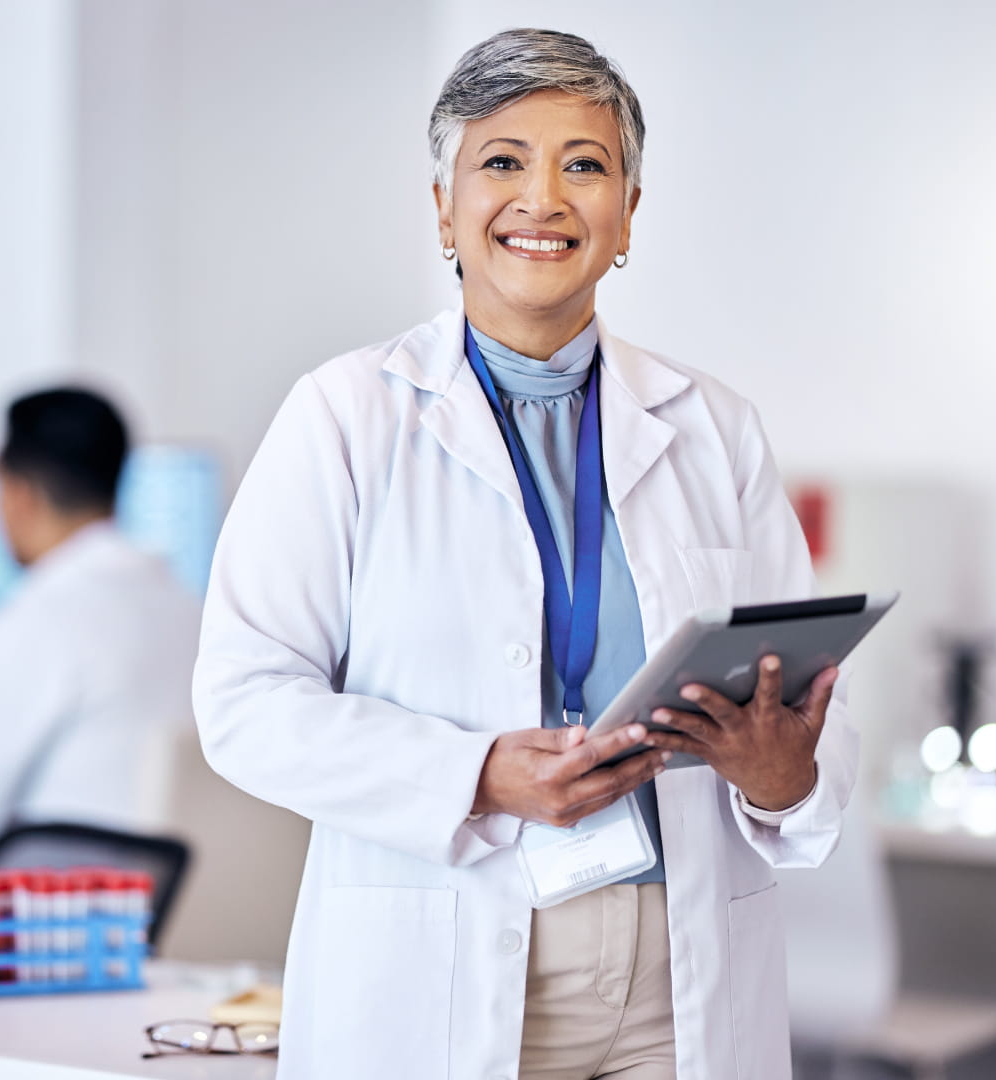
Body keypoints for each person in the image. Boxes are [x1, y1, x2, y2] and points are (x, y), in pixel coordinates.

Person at [193, 27, 858, 1080]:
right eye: (502, 162)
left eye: (584, 166)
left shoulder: (713, 425)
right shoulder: (344, 417)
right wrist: (478, 775)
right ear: (443, 207)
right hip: (449, 965)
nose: (543, 199)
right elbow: (244, 704)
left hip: (682, 978)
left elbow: (812, 697)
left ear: (628, 214)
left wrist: (786, 776)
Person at [0, 387, 201, 832]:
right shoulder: (193, 613)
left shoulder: (40, 621)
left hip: (62, 894)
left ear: (19, 494)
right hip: (201, 896)